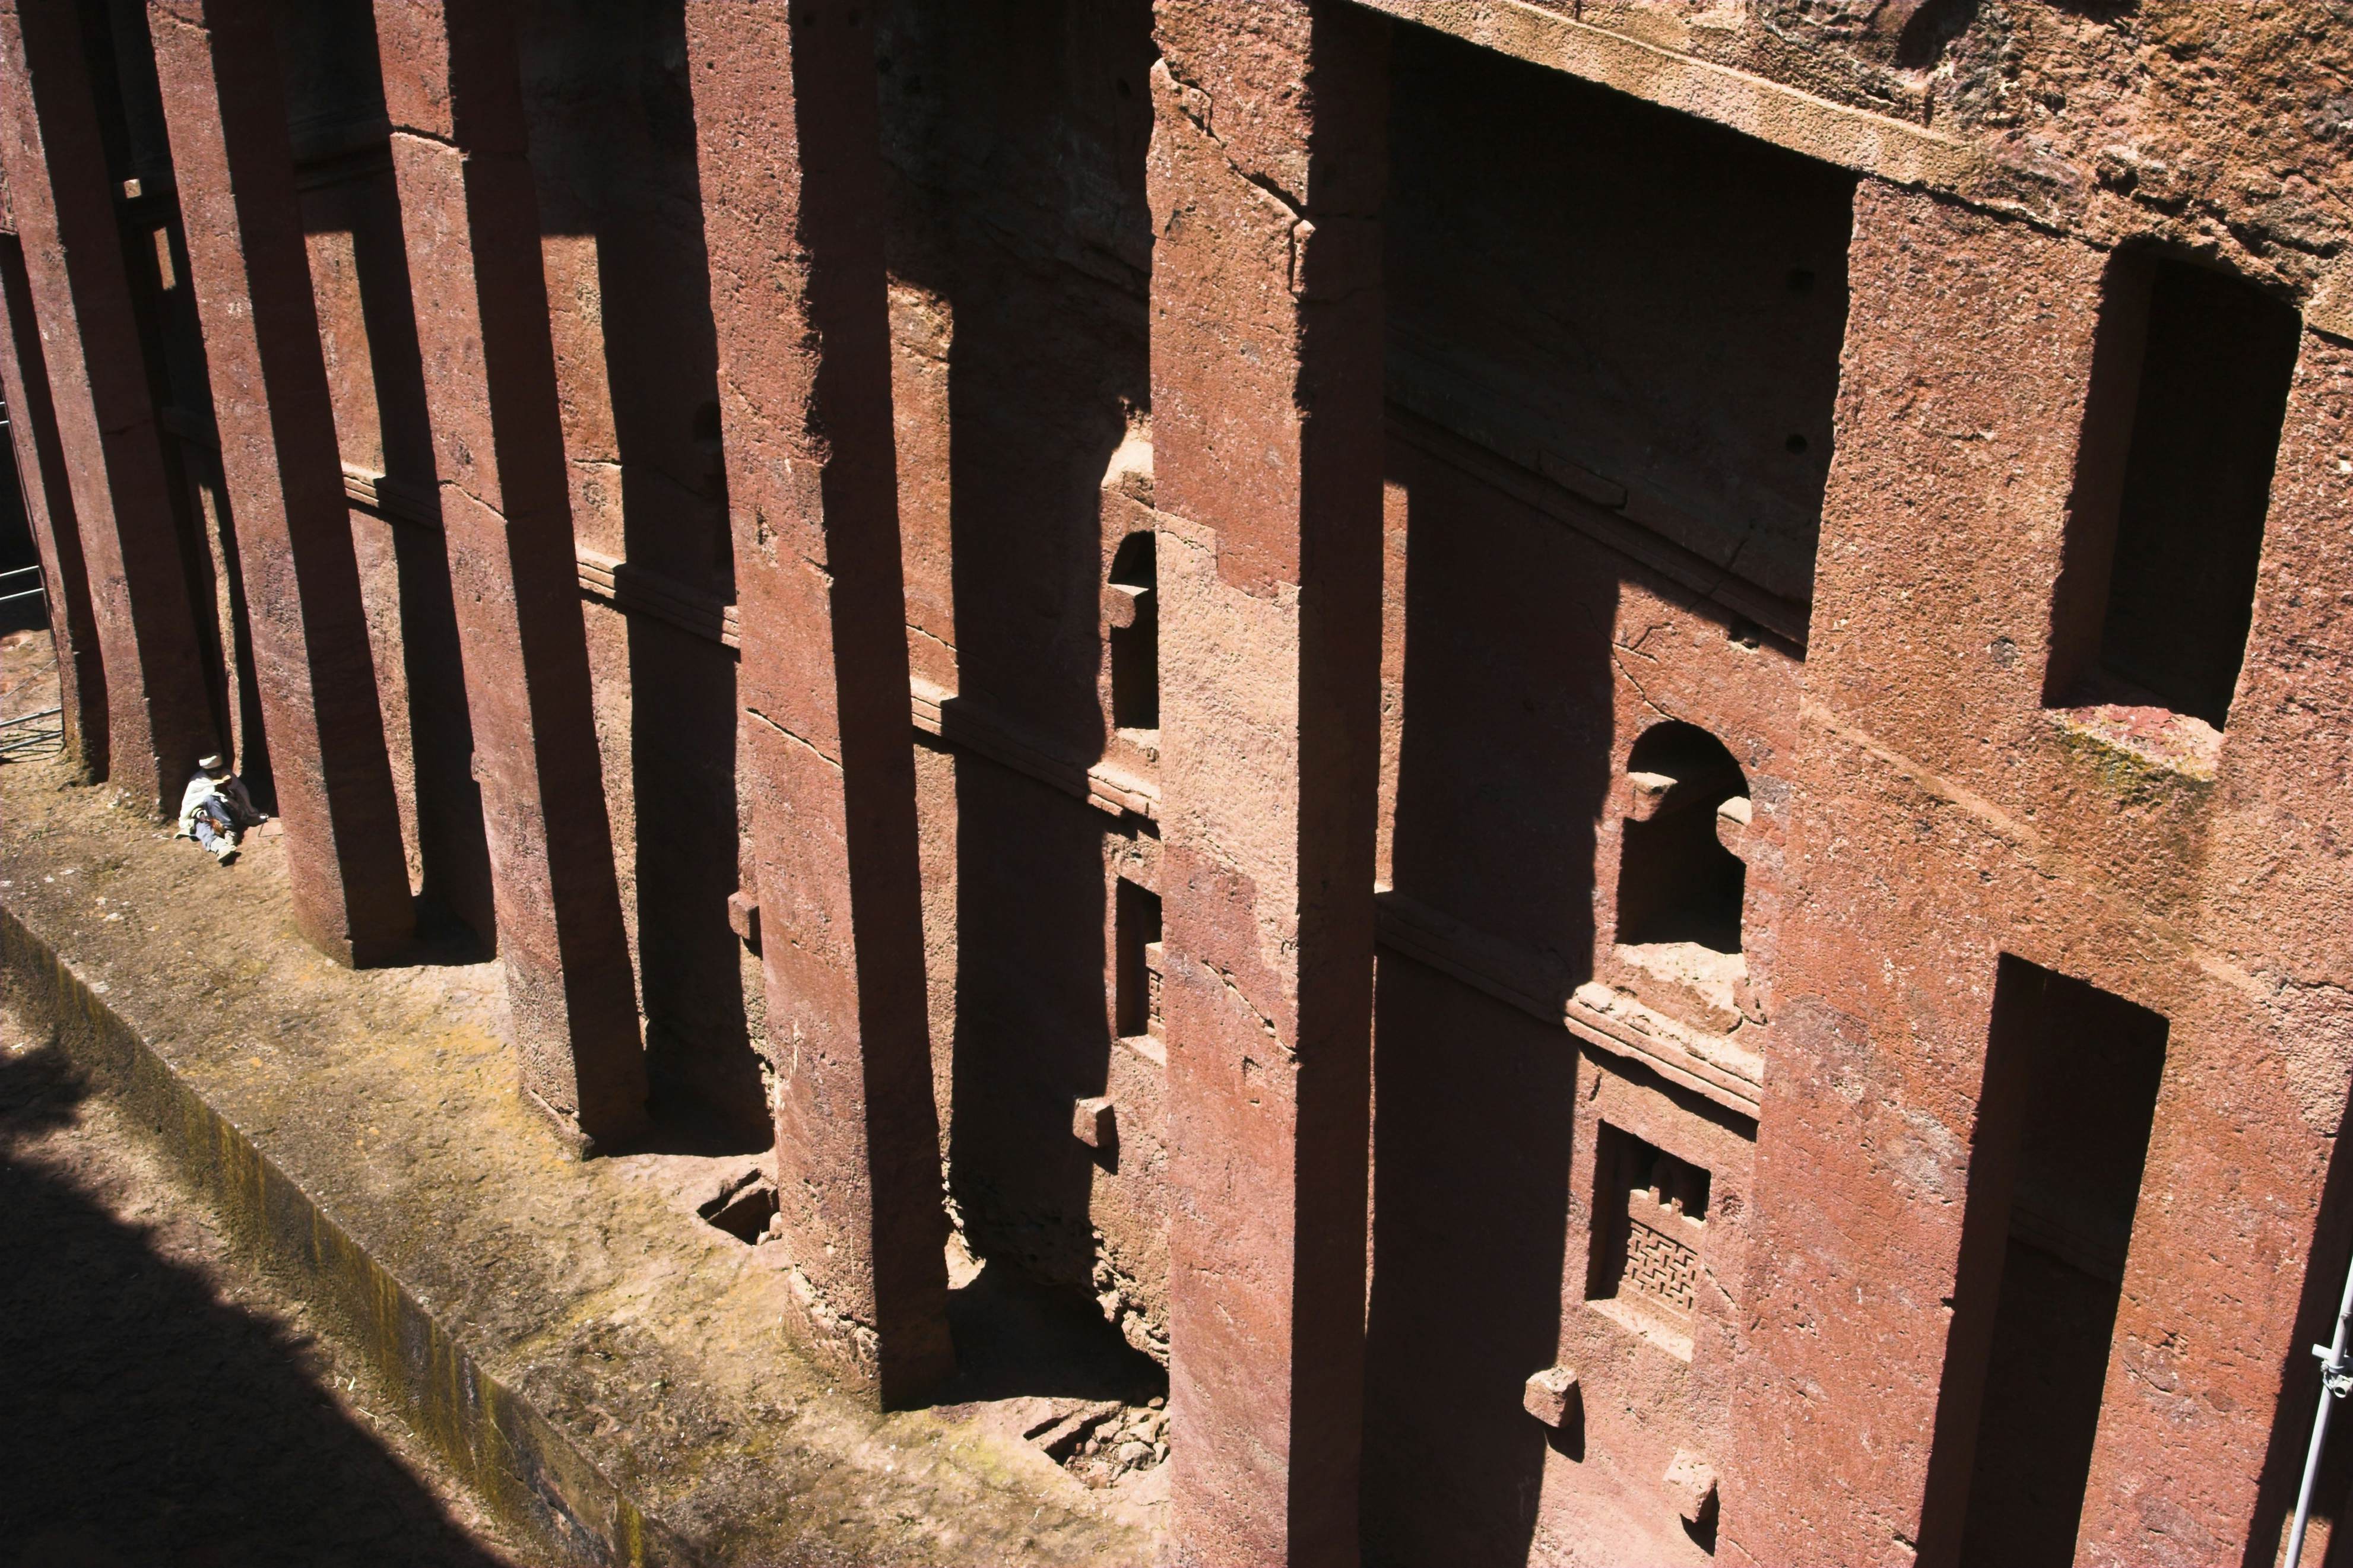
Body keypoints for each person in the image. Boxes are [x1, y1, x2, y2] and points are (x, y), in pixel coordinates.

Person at [177, 754, 261, 864]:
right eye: (212, 771)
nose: (216, 773)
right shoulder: (197, 782)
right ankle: (219, 847)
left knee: (211, 799)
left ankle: (229, 833)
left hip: (230, 815)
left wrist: (226, 792)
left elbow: (242, 796)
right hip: (208, 818)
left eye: (218, 770)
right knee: (200, 826)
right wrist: (202, 816)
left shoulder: (228, 775)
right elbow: (190, 805)